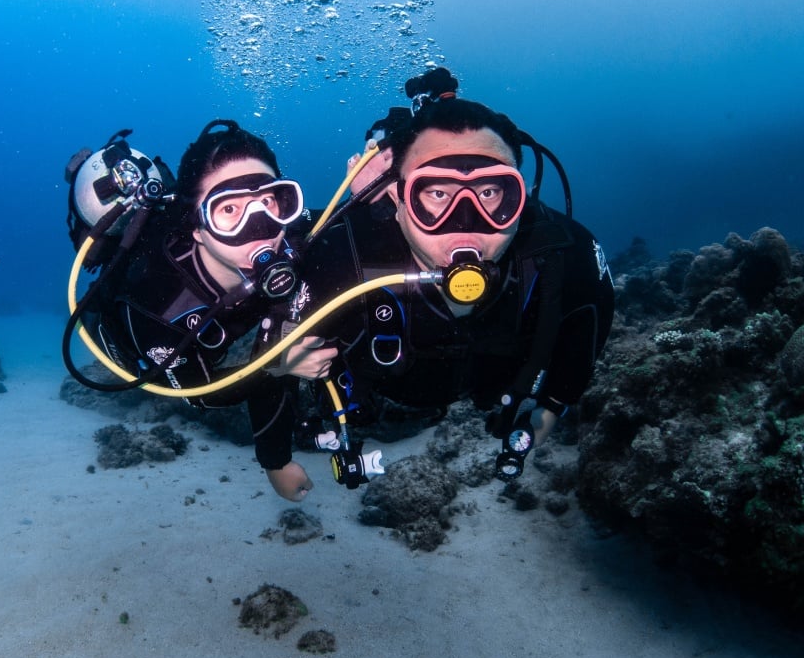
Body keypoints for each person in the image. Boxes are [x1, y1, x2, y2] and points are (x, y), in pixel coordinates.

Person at [257, 67, 615, 492]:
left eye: (489, 192)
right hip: (381, 411)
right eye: (437, 193)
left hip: (490, 393)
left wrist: (550, 410)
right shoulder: (334, 255)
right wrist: (275, 457)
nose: (464, 226)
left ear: (518, 194)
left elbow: (587, 325)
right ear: (396, 196)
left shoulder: (564, 252)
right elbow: (268, 358)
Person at [62, 121, 327, 500]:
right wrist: (278, 374)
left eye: (269, 200)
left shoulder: (290, 233)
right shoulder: (159, 306)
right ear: (198, 228)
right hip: (129, 338)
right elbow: (199, 393)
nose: (260, 225)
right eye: (229, 209)